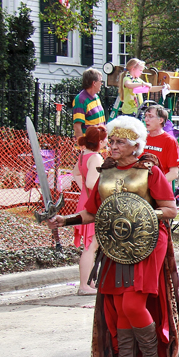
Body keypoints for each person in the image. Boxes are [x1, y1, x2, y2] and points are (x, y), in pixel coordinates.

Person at [46, 116, 179, 357]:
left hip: (148, 242)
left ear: (135, 146)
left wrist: (139, 214)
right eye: (111, 141)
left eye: (120, 142)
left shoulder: (150, 171)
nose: (113, 146)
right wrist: (65, 220)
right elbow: (92, 212)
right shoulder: (106, 172)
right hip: (115, 243)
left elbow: (170, 210)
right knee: (118, 306)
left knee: (132, 304)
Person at [73, 125, 107, 295]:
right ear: (99, 141)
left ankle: (89, 282)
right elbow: (91, 182)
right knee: (90, 246)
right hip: (92, 205)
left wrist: (84, 193)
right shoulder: (95, 157)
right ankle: (84, 285)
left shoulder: (83, 155)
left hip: (84, 201)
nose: (107, 142)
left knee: (90, 245)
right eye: (105, 140)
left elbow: (76, 174)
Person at [143, 104, 179, 184]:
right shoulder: (142, 138)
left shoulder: (170, 141)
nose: (146, 120)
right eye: (145, 116)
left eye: (150, 116)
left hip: (158, 187)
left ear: (160, 120)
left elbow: (174, 173)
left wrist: (154, 184)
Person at [72, 68, 106, 140]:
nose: (102, 84)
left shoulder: (96, 97)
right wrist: (82, 145)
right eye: (100, 81)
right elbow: (77, 126)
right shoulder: (81, 100)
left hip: (98, 143)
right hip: (88, 143)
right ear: (94, 83)